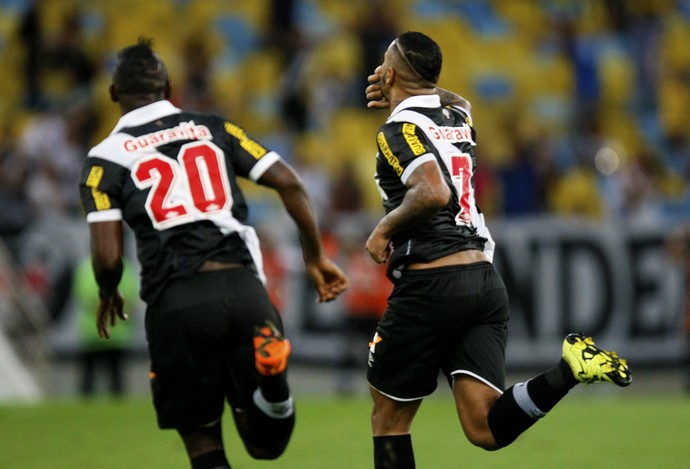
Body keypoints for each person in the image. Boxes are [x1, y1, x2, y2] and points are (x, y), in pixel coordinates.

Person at [362, 31, 632, 468]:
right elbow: (458, 101)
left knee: (389, 418)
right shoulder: (458, 117)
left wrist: (382, 230)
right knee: (485, 427)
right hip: (484, 282)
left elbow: (431, 191)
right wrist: (415, 86)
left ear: (389, 73)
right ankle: (568, 371)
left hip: (432, 281)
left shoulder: (398, 129)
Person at [78, 39, 348, 469]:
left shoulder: (103, 161)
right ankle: (273, 383)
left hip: (178, 302)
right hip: (244, 290)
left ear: (113, 94)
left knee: (204, 445)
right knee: (265, 446)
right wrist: (313, 257)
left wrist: (109, 290)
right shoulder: (214, 128)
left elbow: (108, 259)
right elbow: (290, 183)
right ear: (168, 86)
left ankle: (267, 386)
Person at [73, 254, 137, 397]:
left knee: (89, 379)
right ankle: (118, 412)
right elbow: (132, 301)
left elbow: (83, 297)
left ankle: (84, 412)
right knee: (115, 377)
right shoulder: (125, 268)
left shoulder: (85, 268)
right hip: (116, 332)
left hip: (93, 332)